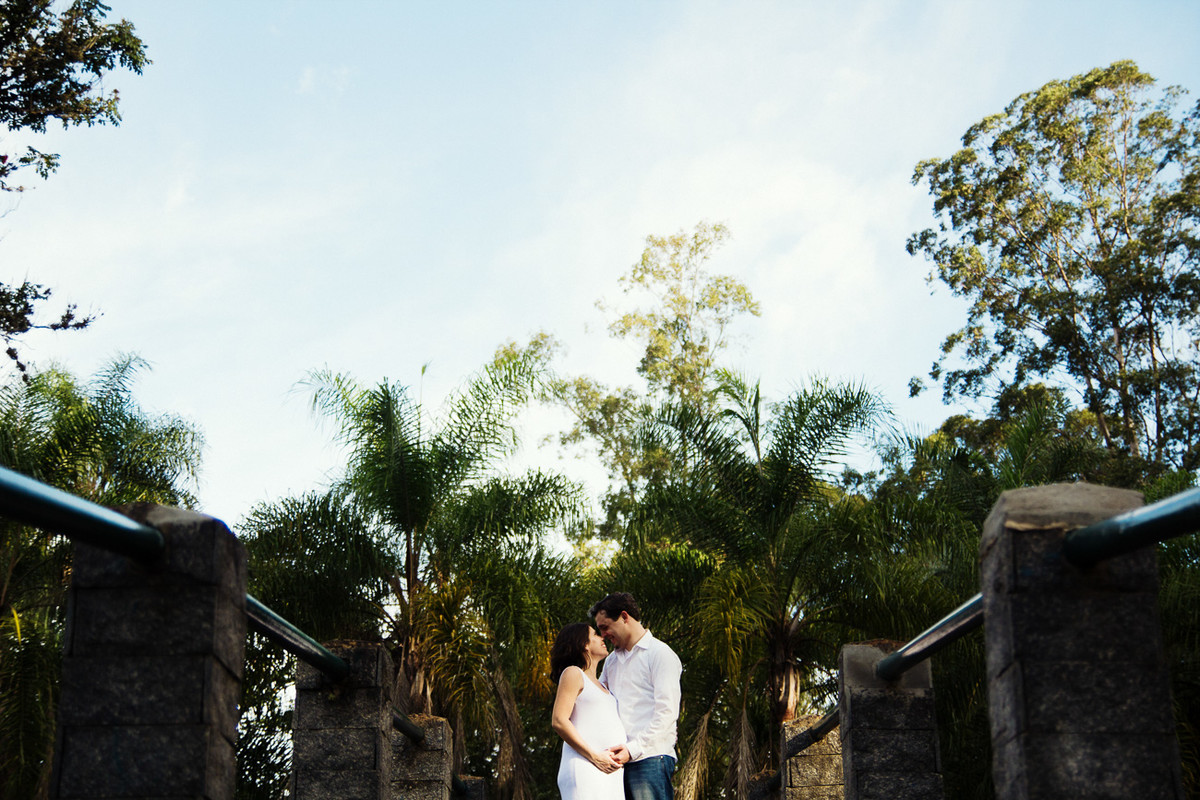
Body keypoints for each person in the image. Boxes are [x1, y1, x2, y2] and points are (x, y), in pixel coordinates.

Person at [590, 592, 682, 800]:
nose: (603, 635)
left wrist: (631, 750)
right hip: (617, 762)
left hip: (650, 759)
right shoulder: (611, 661)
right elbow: (599, 700)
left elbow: (666, 714)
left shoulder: (660, 654)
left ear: (624, 617)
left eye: (605, 627)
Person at [551, 622, 628, 800]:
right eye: (595, 635)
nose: (602, 638)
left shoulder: (602, 685)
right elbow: (559, 720)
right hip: (586, 766)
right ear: (584, 644)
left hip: (610, 773)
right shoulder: (573, 673)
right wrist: (595, 756)